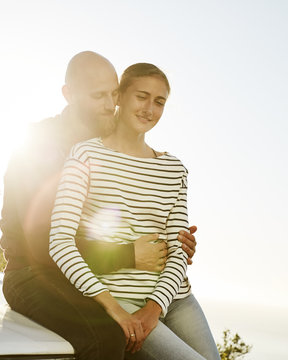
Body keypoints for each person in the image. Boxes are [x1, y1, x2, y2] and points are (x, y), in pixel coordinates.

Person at [0, 51, 198, 360]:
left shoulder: (113, 141)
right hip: (33, 274)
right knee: (105, 336)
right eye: (98, 96)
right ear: (69, 94)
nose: (111, 104)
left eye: (114, 93)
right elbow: (40, 247)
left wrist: (174, 243)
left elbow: (134, 213)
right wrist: (131, 254)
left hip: (92, 274)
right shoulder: (40, 146)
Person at [49, 62, 220, 359]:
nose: (149, 109)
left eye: (159, 102)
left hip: (175, 299)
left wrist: (155, 307)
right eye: (141, 97)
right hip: (121, 299)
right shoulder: (85, 155)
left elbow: (178, 248)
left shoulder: (174, 169)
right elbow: (60, 243)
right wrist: (111, 306)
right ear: (120, 97)